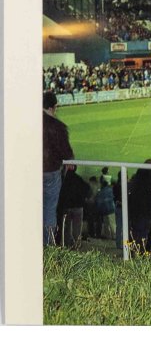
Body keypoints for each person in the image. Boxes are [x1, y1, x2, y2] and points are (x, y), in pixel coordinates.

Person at [43, 91, 75, 246]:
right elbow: (66, 152)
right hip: (50, 171)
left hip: (32, 171)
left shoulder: (30, 122)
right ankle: (48, 245)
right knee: (50, 208)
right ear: (54, 106)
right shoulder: (58, 126)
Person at [127, 159, 151, 254]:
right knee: (143, 231)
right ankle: (140, 253)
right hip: (146, 208)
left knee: (135, 230)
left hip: (134, 207)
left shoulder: (137, 175)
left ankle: (133, 252)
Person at [56, 166, 90, 248]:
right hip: (78, 207)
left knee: (67, 228)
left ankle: (67, 245)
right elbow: (87, 189)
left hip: (67, 207)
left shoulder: (63, 179)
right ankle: (77, 245)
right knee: (77, 229)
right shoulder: (79, 179)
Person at [95, 175, 116, 239]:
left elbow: (98, 202)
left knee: (106, 225)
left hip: (104, 211)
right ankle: (115, 237)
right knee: (112, 224)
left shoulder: (100, 192)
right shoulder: (110, 190)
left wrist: (98, 210)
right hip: (111, 209)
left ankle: (108, 237)